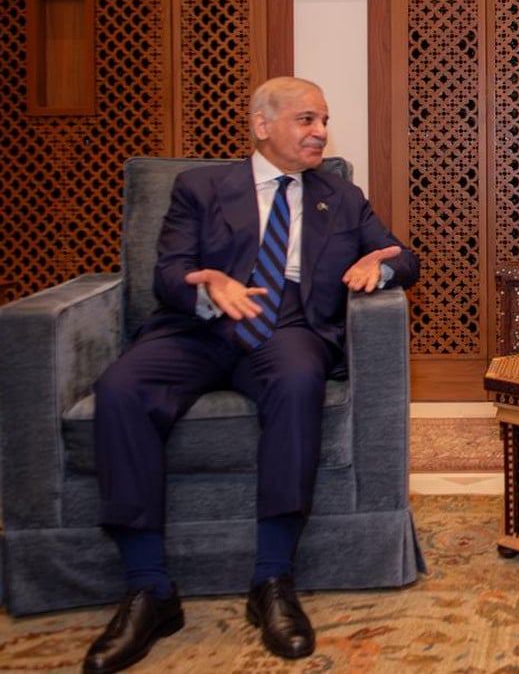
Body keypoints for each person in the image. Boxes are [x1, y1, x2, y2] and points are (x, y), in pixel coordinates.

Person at [83, 77, 419, 674]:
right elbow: (168, 273)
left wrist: (382, 265)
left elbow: (402, 257)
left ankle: (272, 579)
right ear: (262, 125)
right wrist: (206, 284)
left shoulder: (340, 195)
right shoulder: (201, 187)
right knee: (121, 389)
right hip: (199, 326)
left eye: (324, 121)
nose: (320, 132)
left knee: (298, 381)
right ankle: (149, 589)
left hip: (288, 328)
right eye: (306, 119)